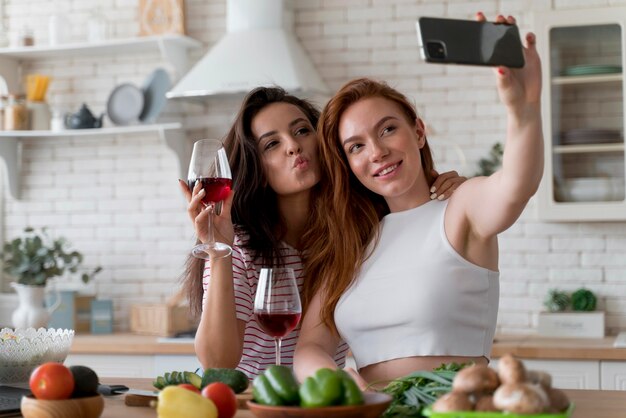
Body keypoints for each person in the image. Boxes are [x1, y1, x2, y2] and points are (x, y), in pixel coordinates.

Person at [294, 13, 543, 388]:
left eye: (388, 129)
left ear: (419, 131)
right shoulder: (353, 243)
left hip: (457, 410)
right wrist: (341, 386)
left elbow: (516, 186)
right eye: (357, 146)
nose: (376, 151)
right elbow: (310, 347)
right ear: (348, 164)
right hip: (372, 413)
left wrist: (523, 112)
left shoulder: (461, 208)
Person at [178, 87, 466, 379]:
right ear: (258, 170)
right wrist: (217, 250)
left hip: (325, 401)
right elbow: (217, 363)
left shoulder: (358, 229)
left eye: (302, 130)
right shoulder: (240, 247)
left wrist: (452, 188)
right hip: (253, 404)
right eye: (272, 144)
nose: (293, 146)